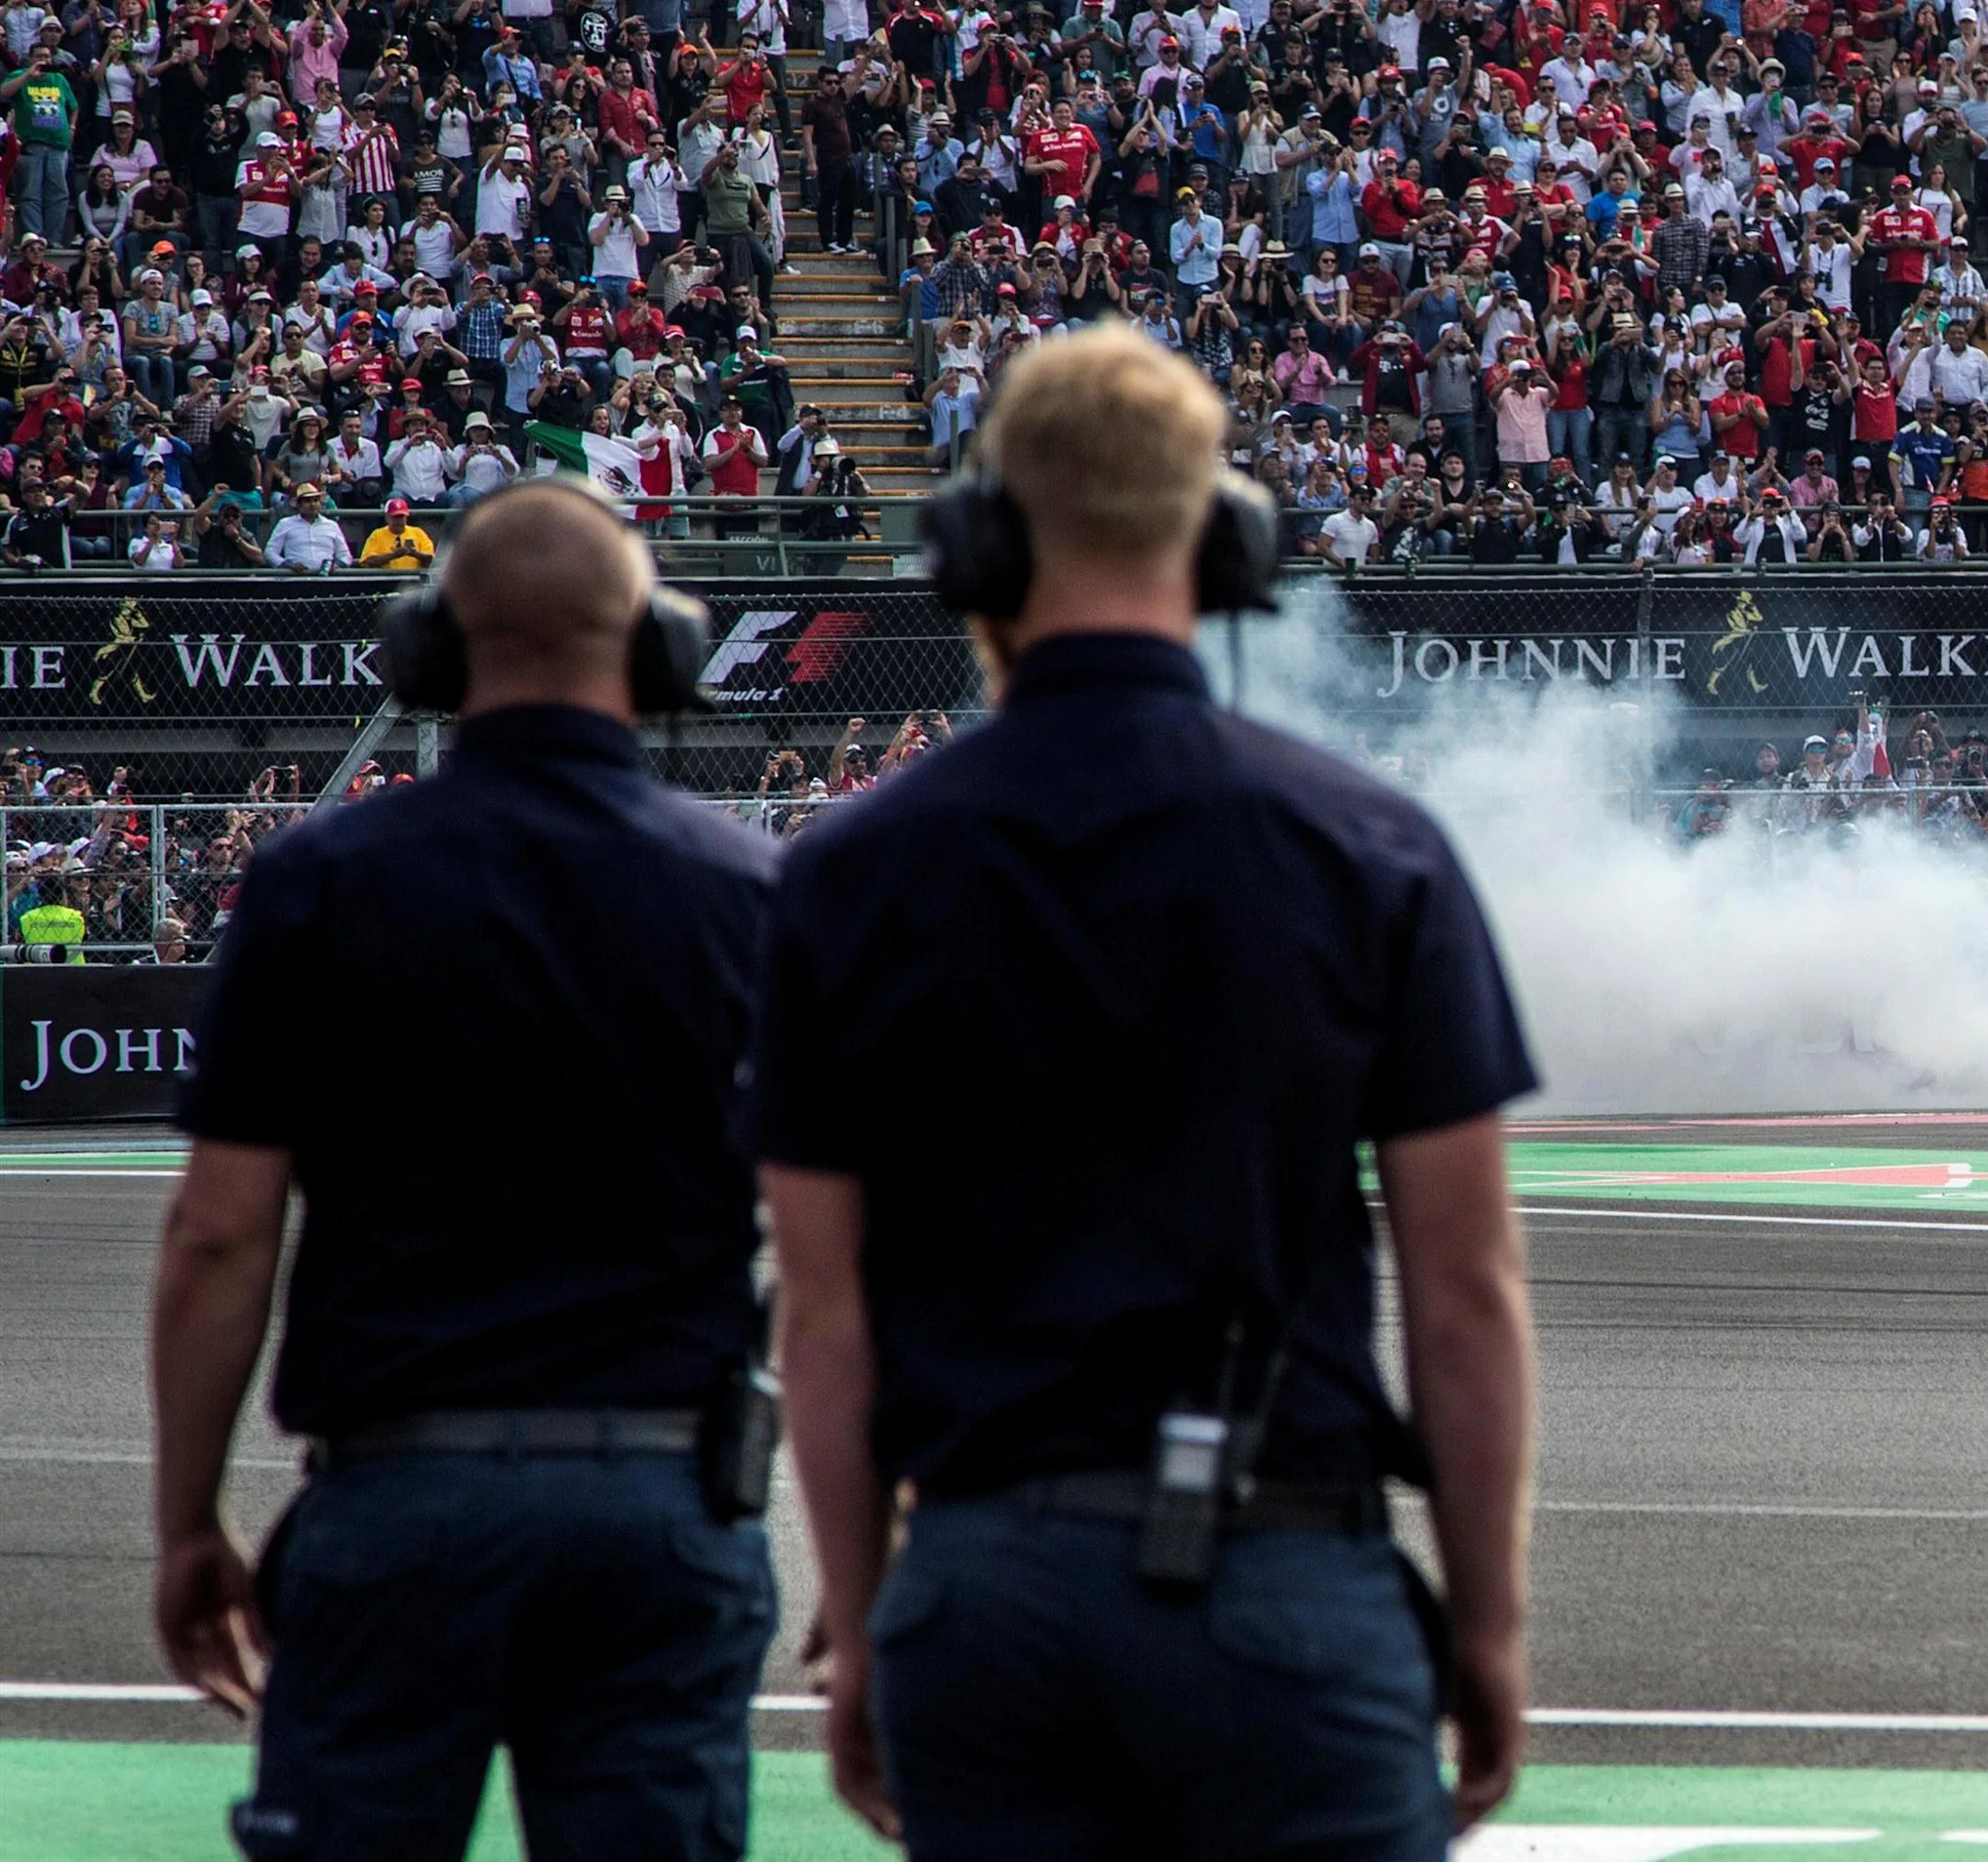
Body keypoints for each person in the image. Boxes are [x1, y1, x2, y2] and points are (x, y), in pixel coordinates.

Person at [756, 325, 1539, 1859]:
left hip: (985, 1591)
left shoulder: (848, 874)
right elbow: (1465, 1289)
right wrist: (1491, 1629)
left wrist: (862, 1620)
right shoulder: (1368, 848)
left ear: (975, 548)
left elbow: (822, 1311)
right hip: (1291, 1580)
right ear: (1229, 544)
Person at [150, 483, 781, 1861]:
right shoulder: (752, 894)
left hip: (399, 1504)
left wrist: (188, 1518)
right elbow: (843, 1254)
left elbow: (218, 1236)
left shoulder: (319, 882)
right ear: (659, 650)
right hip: (662, 1505)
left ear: (432, 651)